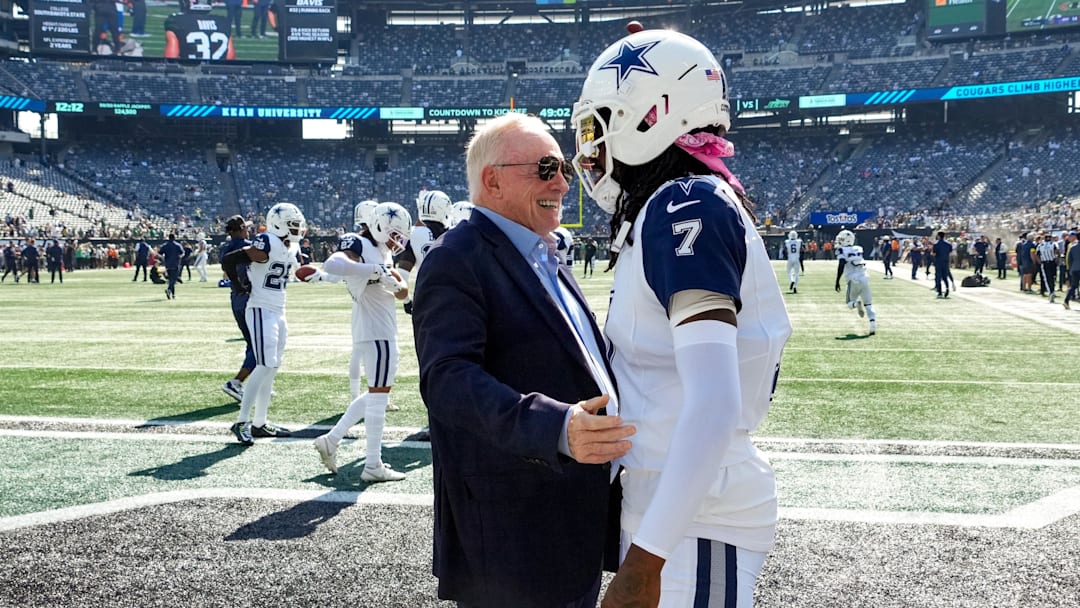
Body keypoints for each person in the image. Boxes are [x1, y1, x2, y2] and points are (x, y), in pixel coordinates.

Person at [570, 28, 792, 607]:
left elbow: (713, 405)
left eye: (597, 126)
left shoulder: (683, 204)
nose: (589, 148)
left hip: (692, 519)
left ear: (650, 115)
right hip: (672, 509)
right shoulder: (672, 204)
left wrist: (644, 563)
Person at [412, 112, 633, 607]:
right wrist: (555, 426)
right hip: (513, 530)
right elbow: (447, 380)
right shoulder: (457, 256)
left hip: (565, 513)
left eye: (564, 169)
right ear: (492, 179)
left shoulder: (540, 253)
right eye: (546, 168)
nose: (561, 182)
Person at [307, 204, 413, 483]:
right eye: (393, 234)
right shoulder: (360, 242)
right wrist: (376, 270)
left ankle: (331, 440)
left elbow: (402, 293)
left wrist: (394, 282)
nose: (396, 241)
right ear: (378, 225)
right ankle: (372, 465)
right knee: (379, 397)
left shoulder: (383, 251)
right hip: (374, 330)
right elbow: (333, 264)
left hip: (382, 328)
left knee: (377, 393)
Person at [220, 203, 306, 445]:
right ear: (278, 223)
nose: (297, 229)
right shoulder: (267, 241)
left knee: (272, 366)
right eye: (293, 225)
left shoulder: (290, 246)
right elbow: (229, 259)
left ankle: (260, 422)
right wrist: (238, 286)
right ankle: (241, 421)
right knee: (264, 364)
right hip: (260, 309)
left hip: (279, 310)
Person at [398, 190, 450, 315]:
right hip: (452, 297)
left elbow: (402, 274)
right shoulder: (456, 233)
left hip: (424, 297)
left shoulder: (412, 234)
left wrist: (406, 301)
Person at [220, 215, 254, 402]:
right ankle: (236, 382)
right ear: (241, 229)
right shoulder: (250, 246)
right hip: (251, 298)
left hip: (235, 297)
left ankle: (257, 384)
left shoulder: (225, 248)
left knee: (252, 343)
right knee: (259, 347)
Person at [834, 230, 877, 335]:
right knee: (868, 304)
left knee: (849, 303)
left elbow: (841, 264)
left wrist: (837, 280)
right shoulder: (859, 248)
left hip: (852, 280)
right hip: (864, 277)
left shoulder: (842, 250)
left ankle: (856, 304)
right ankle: (872, 325)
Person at [165, 0, 236, 60]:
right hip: (218, 74)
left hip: (190, 73)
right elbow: (230, 58)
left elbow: (171, 60)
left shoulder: (177, 21)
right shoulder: (223, 22)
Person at [158, 233, 184, 299]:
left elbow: (159, 253)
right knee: (174, 280)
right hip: (175, 263)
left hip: (168, 264)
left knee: (170, 279)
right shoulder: (178, 245)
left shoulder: (165, 245)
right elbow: (182, 253)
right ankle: (169, 290)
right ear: (174, 238)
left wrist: (163, 259)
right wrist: (179, 257)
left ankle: (173, 295)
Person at [1036, 232, 1058, 303]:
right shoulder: (1053, 244)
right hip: (1052, 262)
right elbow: (1057, 252)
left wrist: (1040, 261)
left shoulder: (1040, 245)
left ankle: (1051, 292)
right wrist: (1057, 258)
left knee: (1047, 278)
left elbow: (1037, 254)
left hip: (1045, 263)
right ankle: (1052, 291)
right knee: (1053, 277)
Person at [932, 231, 953, 299]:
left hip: (938, 262)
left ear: (938, 236)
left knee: (938, 277)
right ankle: (947, 287)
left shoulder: (936, 244)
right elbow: (950, 252)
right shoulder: (948, 244)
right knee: (945, 277)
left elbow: (934, 253)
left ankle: (940, 292)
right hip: (945, 262)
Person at [1063, 231, 1079, 310]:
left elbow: (1069, 259)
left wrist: (1070, 268)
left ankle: (1066, 300)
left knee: (1073, 286)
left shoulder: (1072, 247)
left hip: (1074, 268)